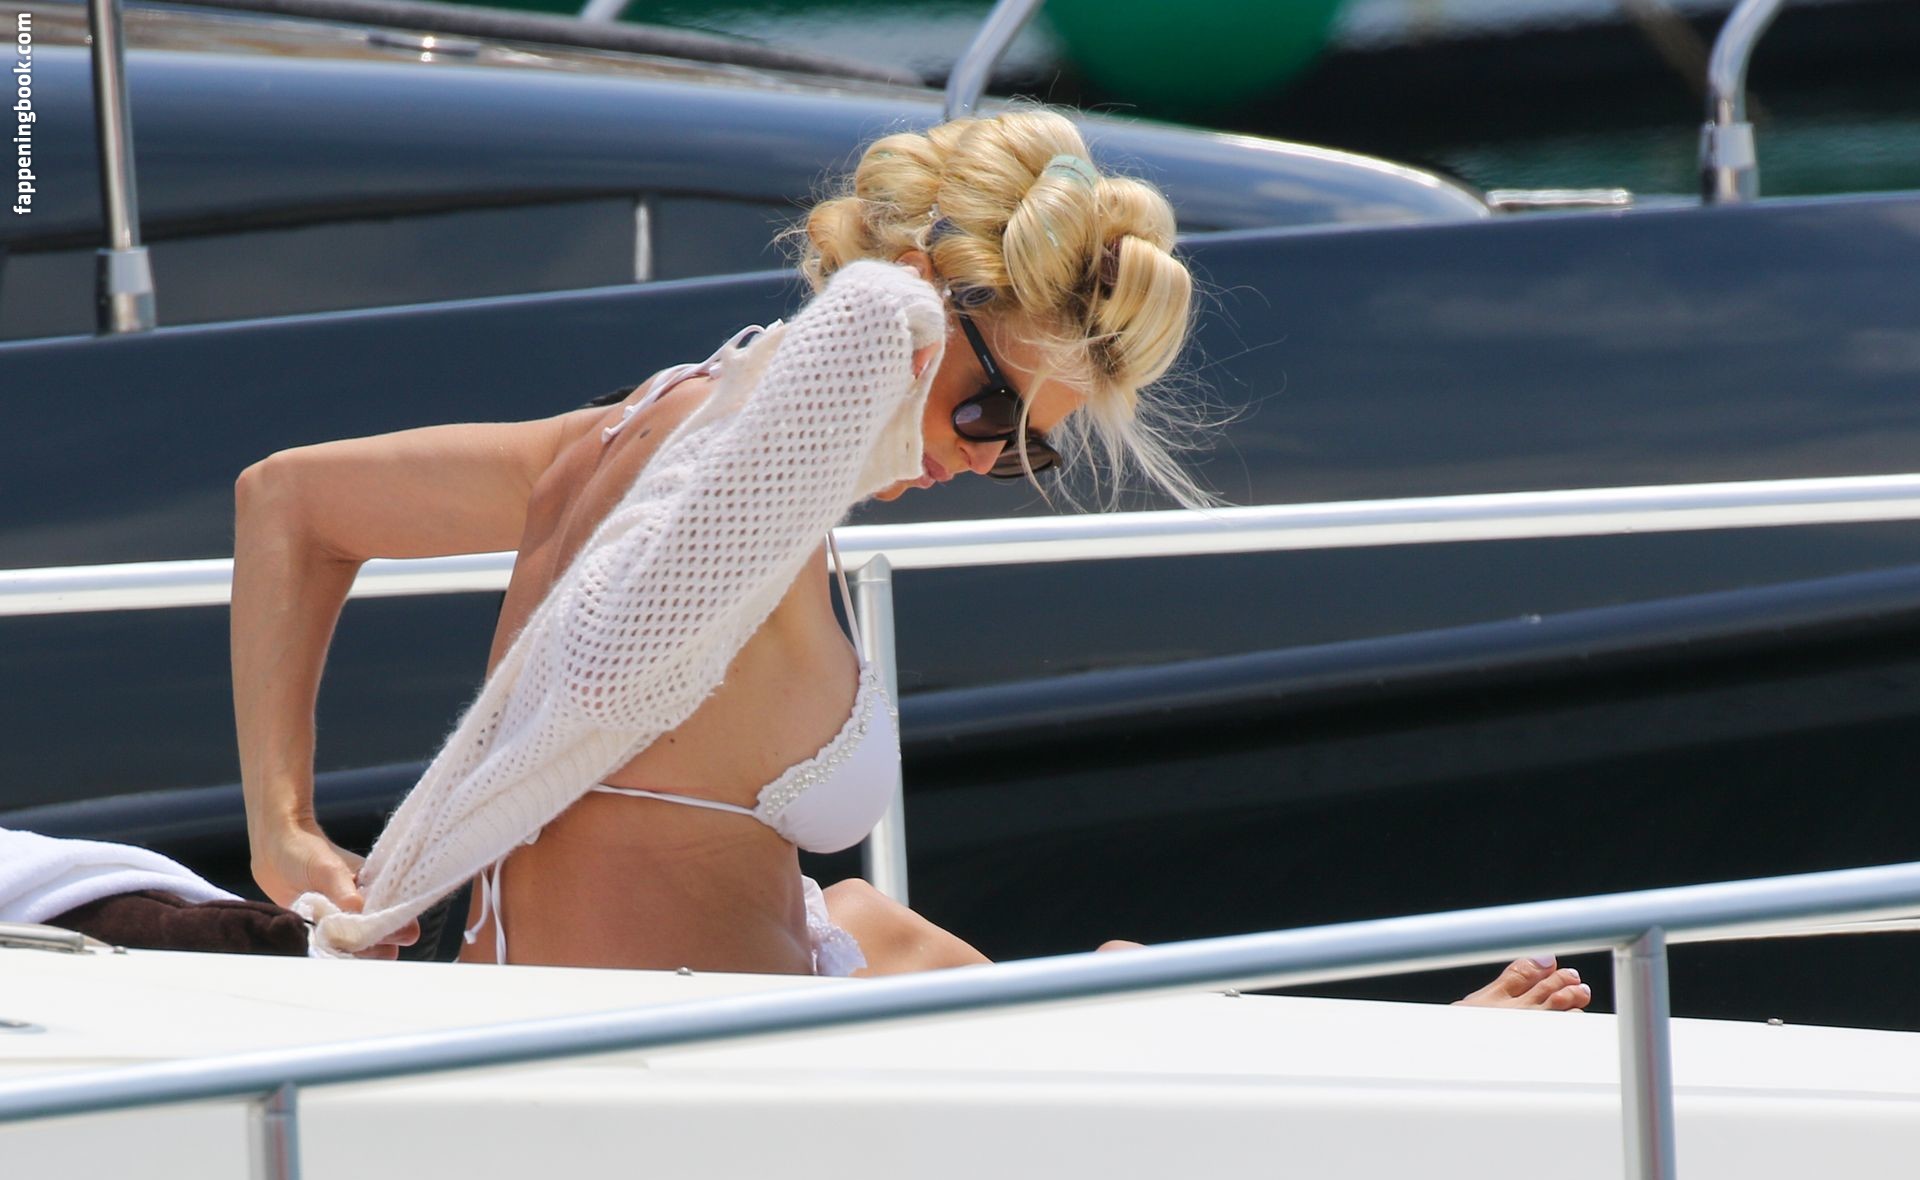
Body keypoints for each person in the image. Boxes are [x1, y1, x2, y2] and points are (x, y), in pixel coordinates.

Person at [230, 107, 1589, 1011]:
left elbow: (291, 505)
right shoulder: (773, 464)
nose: (976, 459)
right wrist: (902, 304)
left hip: (704, 992)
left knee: (904, 929)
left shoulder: (635, 429)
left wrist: (283, 827)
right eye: (989, 411)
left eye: (1028, 451)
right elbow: (865, 326)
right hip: (698, 1073)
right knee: (1105, 1003)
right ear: (919, 310)